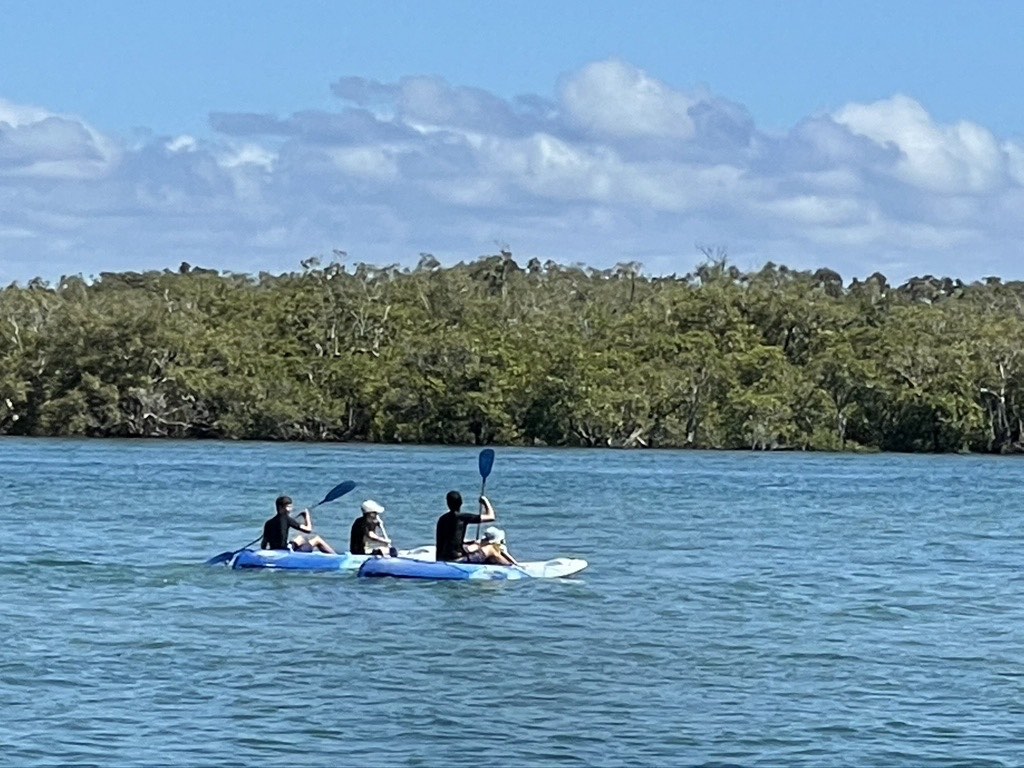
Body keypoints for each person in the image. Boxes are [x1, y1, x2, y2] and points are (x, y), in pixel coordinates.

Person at [261, 495, 336, 553]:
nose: (291, 509)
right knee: (317, 539)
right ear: (281, 507)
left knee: (300, 538)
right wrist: (307, 516)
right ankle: (336, 557)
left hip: (275, 550)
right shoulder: (287, 519)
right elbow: (308, 530)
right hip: (285, 552)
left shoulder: (268, 523)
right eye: (288, 507)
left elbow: (263, 544)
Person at [435, 490, 496, 562]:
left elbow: (440, 542)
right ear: (461, 503)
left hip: (442, 558)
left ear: (448, 503)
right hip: (457, 559)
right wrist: (485, 502)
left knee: (473, 545)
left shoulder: (442, 519)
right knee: (490, 549)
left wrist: (438, 561)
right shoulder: (463, 517)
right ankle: (509, 567)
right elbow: (491, 517)